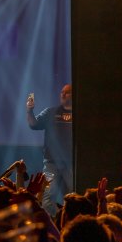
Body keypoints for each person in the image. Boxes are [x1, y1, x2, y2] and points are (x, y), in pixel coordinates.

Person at [26, 84, 73, 216]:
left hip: (71, 163)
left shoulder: (80, 114)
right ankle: (58, 221)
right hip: (51, 163)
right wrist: (30, 110)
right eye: (62, 92)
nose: (63, 94)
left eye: (67, 92)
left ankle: (68, 221)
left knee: (73, 198)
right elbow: (34, 124)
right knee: (46, 200)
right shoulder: (50, 112)